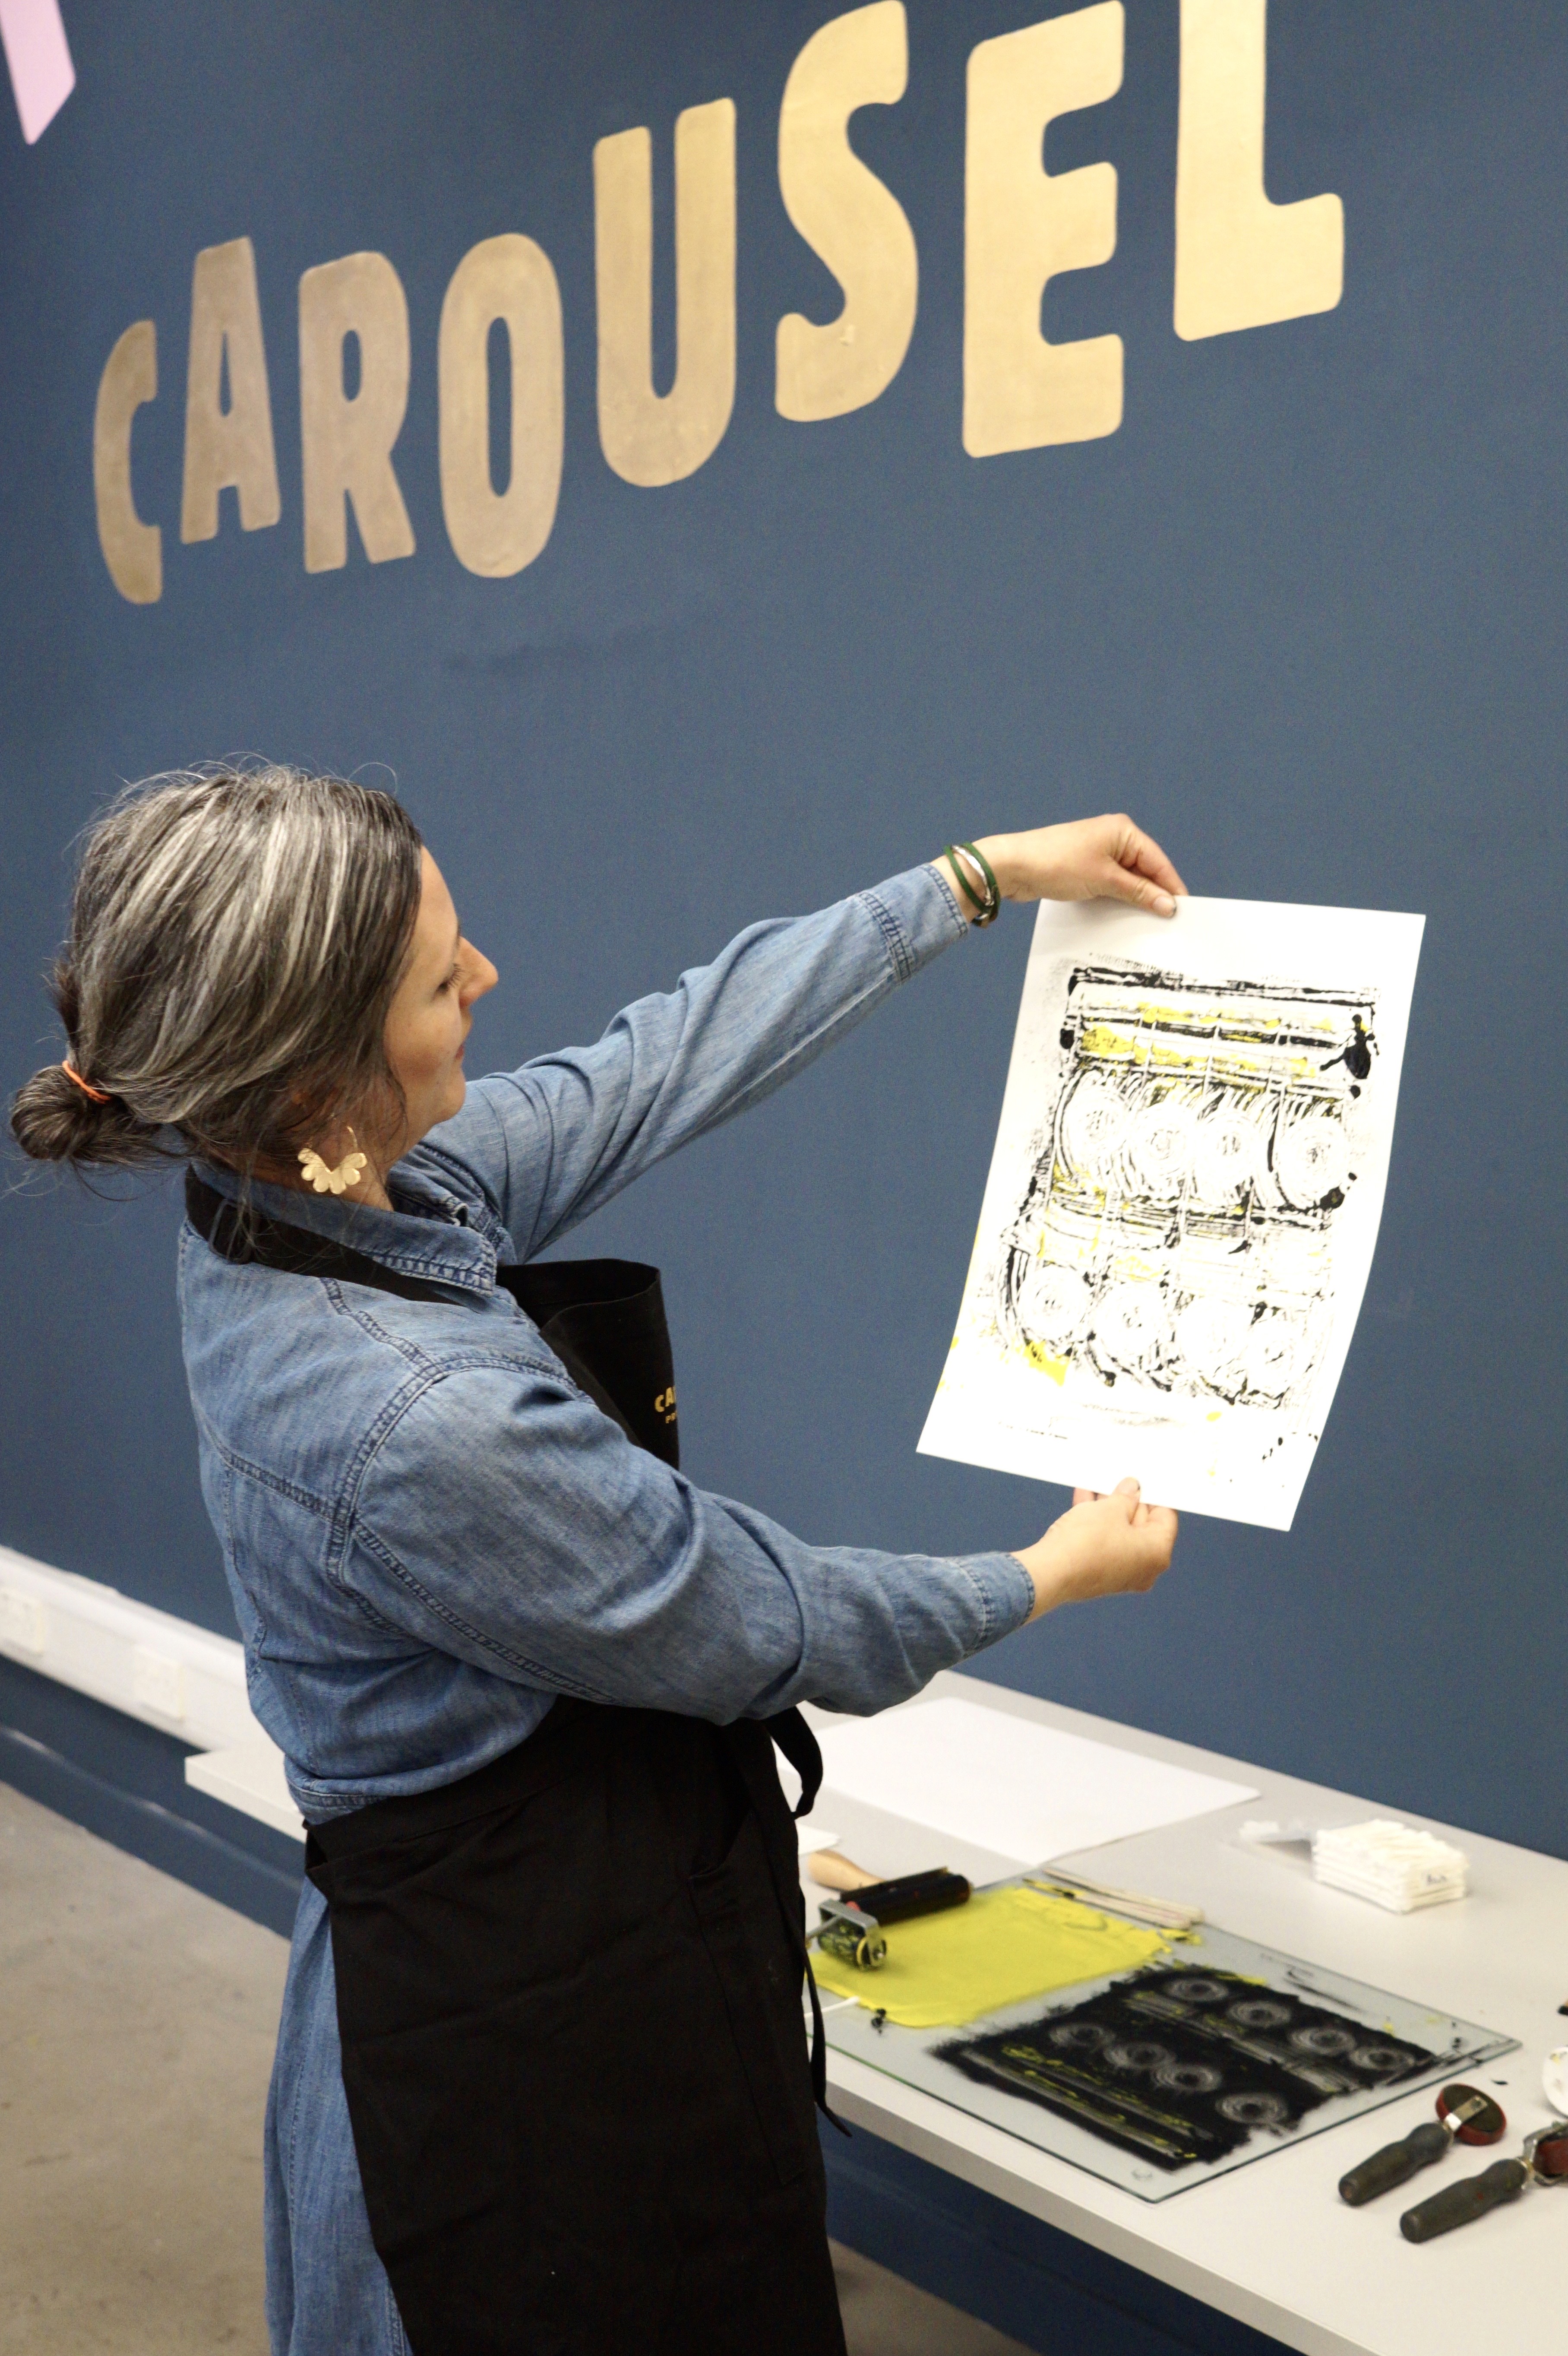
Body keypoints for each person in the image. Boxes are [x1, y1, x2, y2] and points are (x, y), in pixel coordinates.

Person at [11, 766, 1182, 2356]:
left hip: (556, 1932)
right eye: (441, 979)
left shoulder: (296, 1187)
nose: (486, 976)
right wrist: (1047, 1572)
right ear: (314, 1083)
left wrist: (978, 879)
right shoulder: (414, 1414)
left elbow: (663, 1058)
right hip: (518, 2033)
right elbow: (772, 1617)